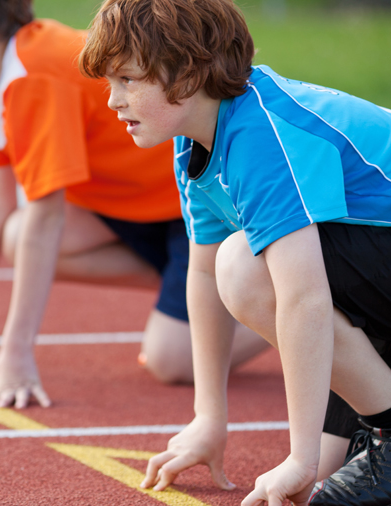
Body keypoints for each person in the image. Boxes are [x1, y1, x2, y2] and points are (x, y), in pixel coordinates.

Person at [79, 0, 391, 505]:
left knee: (245, 265)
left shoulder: (260, 132)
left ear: (186, 73)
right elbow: (201, 279)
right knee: (323, 489)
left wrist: (299, 457)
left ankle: (386, 427)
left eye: (129, 80)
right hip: (375, 261)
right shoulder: (194, 140)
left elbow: (304, 298)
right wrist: (209, 418)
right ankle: (377, 425)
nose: (113, 101)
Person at [0, 0, 268, 409]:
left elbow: (46, 217)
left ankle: (307, 315)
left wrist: (16, 351)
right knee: (15, 235)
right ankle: (184, 282)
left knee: (172, 361)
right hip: (124, 205)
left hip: (189, 205)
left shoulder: (34, 71)